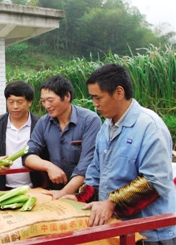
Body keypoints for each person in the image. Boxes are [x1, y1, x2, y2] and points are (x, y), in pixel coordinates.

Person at [63, 64, 176, 244]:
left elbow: (155, 181)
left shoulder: (150, 127)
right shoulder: (106, 128)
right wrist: (81, 197)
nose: (95, 104)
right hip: (119, 227)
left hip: (151, 232)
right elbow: (96, 172)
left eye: (98, 98)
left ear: (119, 92)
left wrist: (111, 203)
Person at [22, 75, 101, 199]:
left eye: (51, 100)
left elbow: (86, 164)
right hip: (55, 192)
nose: (47, 105)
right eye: (43, 101)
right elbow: (27, 155)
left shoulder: (89, 120)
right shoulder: (43, 123)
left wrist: (64, 193)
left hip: (85, 193)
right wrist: (49, 166)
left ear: (67, 96)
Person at [0, 80, 42, 190]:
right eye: (11, 102)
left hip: (35, 187)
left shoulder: (40, 124)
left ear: (29, 102)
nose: (15, 106)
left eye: (20, 102)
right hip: (2, 189)